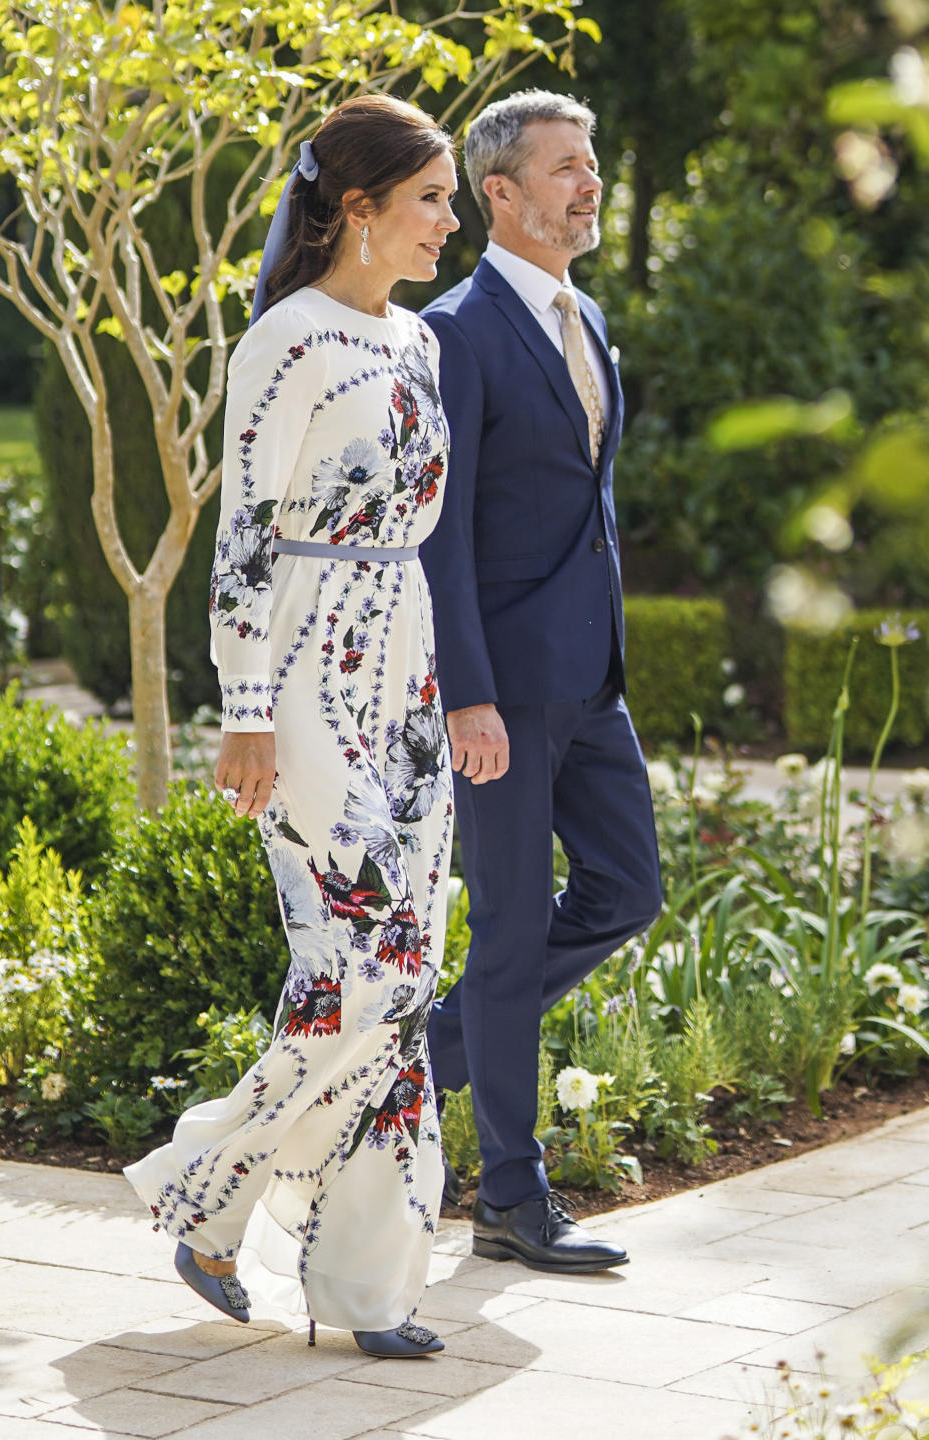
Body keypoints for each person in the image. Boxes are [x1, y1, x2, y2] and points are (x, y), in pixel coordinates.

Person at [125, 94, 461, 1359]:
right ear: (358, 209)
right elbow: (247, 538)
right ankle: (207, 1183)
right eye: (429, 199)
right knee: (375, 962)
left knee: (390, 980)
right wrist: (248, 711)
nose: (450, 222)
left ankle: (368, 1288)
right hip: (309, 671)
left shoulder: (420, 344)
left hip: (407, 665)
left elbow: (426, 531)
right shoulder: (286, 339)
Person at [420, 90, 663, 1272]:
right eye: (567, 166)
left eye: (595, 161)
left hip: (592, 679)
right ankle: (511, 1200)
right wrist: (463, 690)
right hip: (502, 694)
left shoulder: (592, 316)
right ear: (499, 194)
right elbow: (441, 532)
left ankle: (420, 1054)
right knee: (511, 935)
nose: (592, 181)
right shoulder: (454, 333)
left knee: (628, 891)